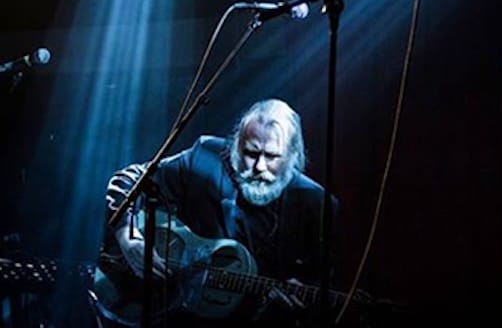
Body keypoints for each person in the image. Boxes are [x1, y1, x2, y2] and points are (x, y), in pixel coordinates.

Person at [98, 98, 336, 327]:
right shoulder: (205, 157)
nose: (259, 167)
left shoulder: (316, 205)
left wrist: (298, 300)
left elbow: (319, 287)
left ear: (293, 156)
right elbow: (129, 179)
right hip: (177, 317)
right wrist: (126, 236)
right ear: (236, 147)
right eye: (251, 153)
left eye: (272, 156)